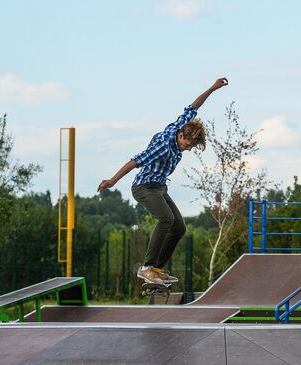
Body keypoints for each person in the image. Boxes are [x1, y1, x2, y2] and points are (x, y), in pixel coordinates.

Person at [97, 77, 228, 285]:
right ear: (182, 136)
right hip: (143, 187)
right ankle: (147, 268)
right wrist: (112, 181)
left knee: (180, 227)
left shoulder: (181, 125)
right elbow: (134, 162)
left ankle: (156, 268)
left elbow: (194, 106)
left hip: (159, 188)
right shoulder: (163, 147)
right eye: (189, 144)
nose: (189, 148)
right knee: (166, 219)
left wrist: (212, 88)